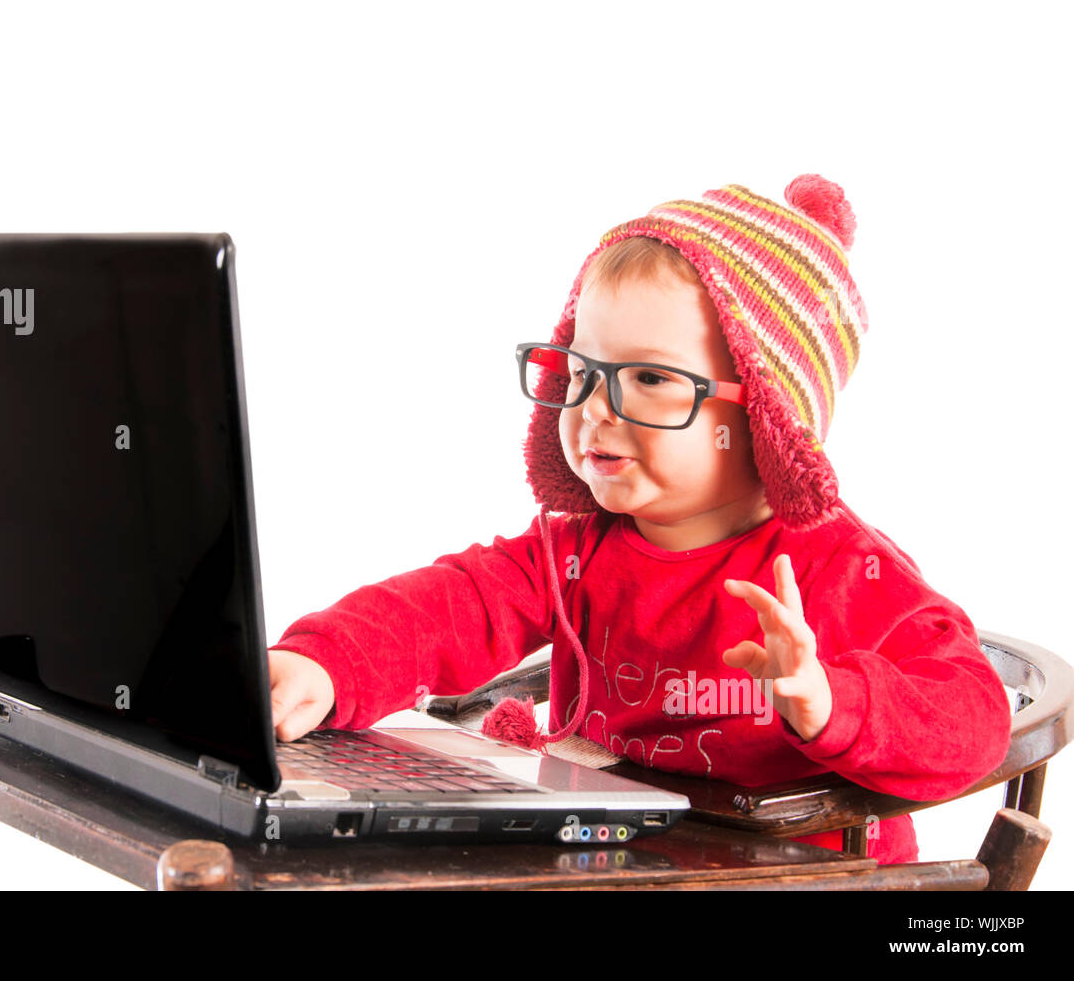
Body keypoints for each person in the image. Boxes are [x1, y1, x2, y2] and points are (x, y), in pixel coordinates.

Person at [265, 174, 1012, 864]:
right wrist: (328, 663)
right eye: (581, 371)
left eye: (650, 378)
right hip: (620, 858)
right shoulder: (573, 550)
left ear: (766, 412)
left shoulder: (839, 567)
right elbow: (454, 603)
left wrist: (829, 700)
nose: (594, 408)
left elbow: (974, 719)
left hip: (796, 873)